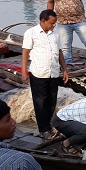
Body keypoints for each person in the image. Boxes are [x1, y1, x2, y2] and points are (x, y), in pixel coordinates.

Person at [21, 9, 69, 139]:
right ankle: (43, 130)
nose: (53, 25)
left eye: (55, 23)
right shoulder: (31, 33)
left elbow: (59, 52)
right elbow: (25, 53)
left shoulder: (55, 34)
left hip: (53, 72)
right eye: (51, 23)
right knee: (40, 102)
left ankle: (48, 124)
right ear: (43, 21)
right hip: (38, 73)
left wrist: (64, 69)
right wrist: (23, 71)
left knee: (52, 101)